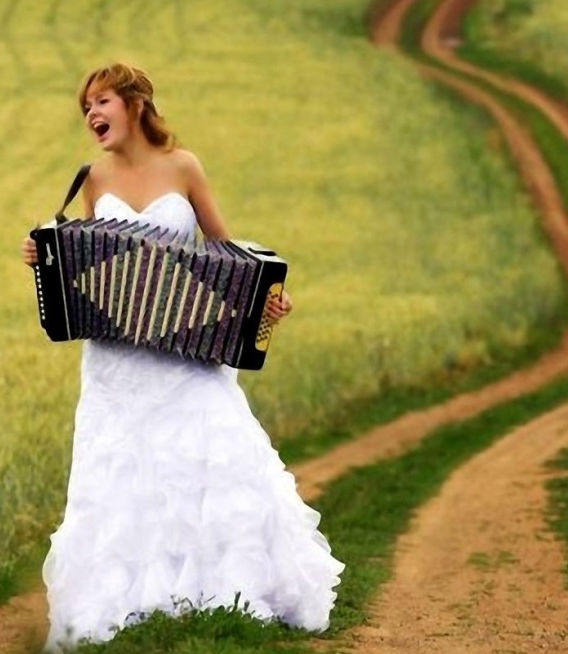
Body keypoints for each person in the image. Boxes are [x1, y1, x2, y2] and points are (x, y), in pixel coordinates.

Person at [21, 63, 344, 652]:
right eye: (85, 108)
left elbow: (224, 249)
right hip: (117, 363)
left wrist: (265, 298)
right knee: (124, 476)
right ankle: (128, 605)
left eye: (101, 102)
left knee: (205, 466)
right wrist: (40, 253)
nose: (92, 115)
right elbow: (84, 261)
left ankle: (225, 596)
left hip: (187, 353)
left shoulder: (184, 166)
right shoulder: (92, 178)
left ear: (135, 103)